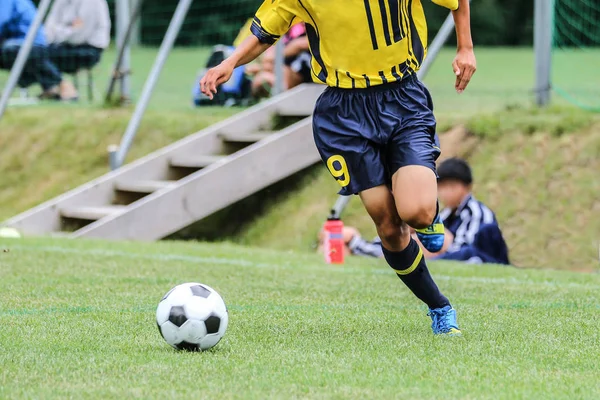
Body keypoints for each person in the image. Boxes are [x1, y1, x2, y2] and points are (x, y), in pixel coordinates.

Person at [200, 0, 477, 336]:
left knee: (416, 212)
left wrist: (465, 47)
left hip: (401, 98)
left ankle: (427, 217)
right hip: (343, 113)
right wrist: (229, 63)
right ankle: (439, 307)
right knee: (388, 226)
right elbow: (265, 29)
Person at [421, 158, 510, 265]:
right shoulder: (445, 215)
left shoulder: (476, 212)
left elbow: (468, 250)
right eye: (442, 187)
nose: (446, 193)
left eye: (452, 186)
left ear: (467, 187)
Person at [0, 0, 77, 100]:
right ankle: (54, 87)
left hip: (29, 44)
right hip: (20, 43)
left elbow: (2, 21)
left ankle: (61, 85)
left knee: (13, 53)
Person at [44, 0, 110, 75]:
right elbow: (48, 30)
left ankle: (61, 85)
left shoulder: (91, 2)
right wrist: (69, 29)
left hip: (89, 50)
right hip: (64, 46)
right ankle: (59, 84)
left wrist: (58, 30)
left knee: (39, 57)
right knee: (37, 55)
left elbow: (78, 36)